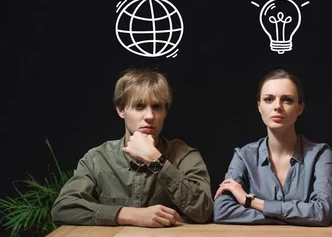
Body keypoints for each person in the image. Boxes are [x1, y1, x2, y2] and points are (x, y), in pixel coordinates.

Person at [52, 68, 213, 227]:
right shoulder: (98, 158)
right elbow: (63, 208)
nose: (149, 116)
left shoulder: (184, 155)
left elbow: (204, 211)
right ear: (121, 110)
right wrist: (128, 215)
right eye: (139, 106)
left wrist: (156, 161)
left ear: (165, 112)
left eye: (157, 107)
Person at [213, 69, 332, 226]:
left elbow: (323, 212)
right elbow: (222, 211)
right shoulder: (243, 155)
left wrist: (252, 202)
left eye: (287, 100)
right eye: (269, 99)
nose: (277, 106)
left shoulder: (320, 154)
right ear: (259, 106)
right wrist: (294, 217)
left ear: (300, 108)